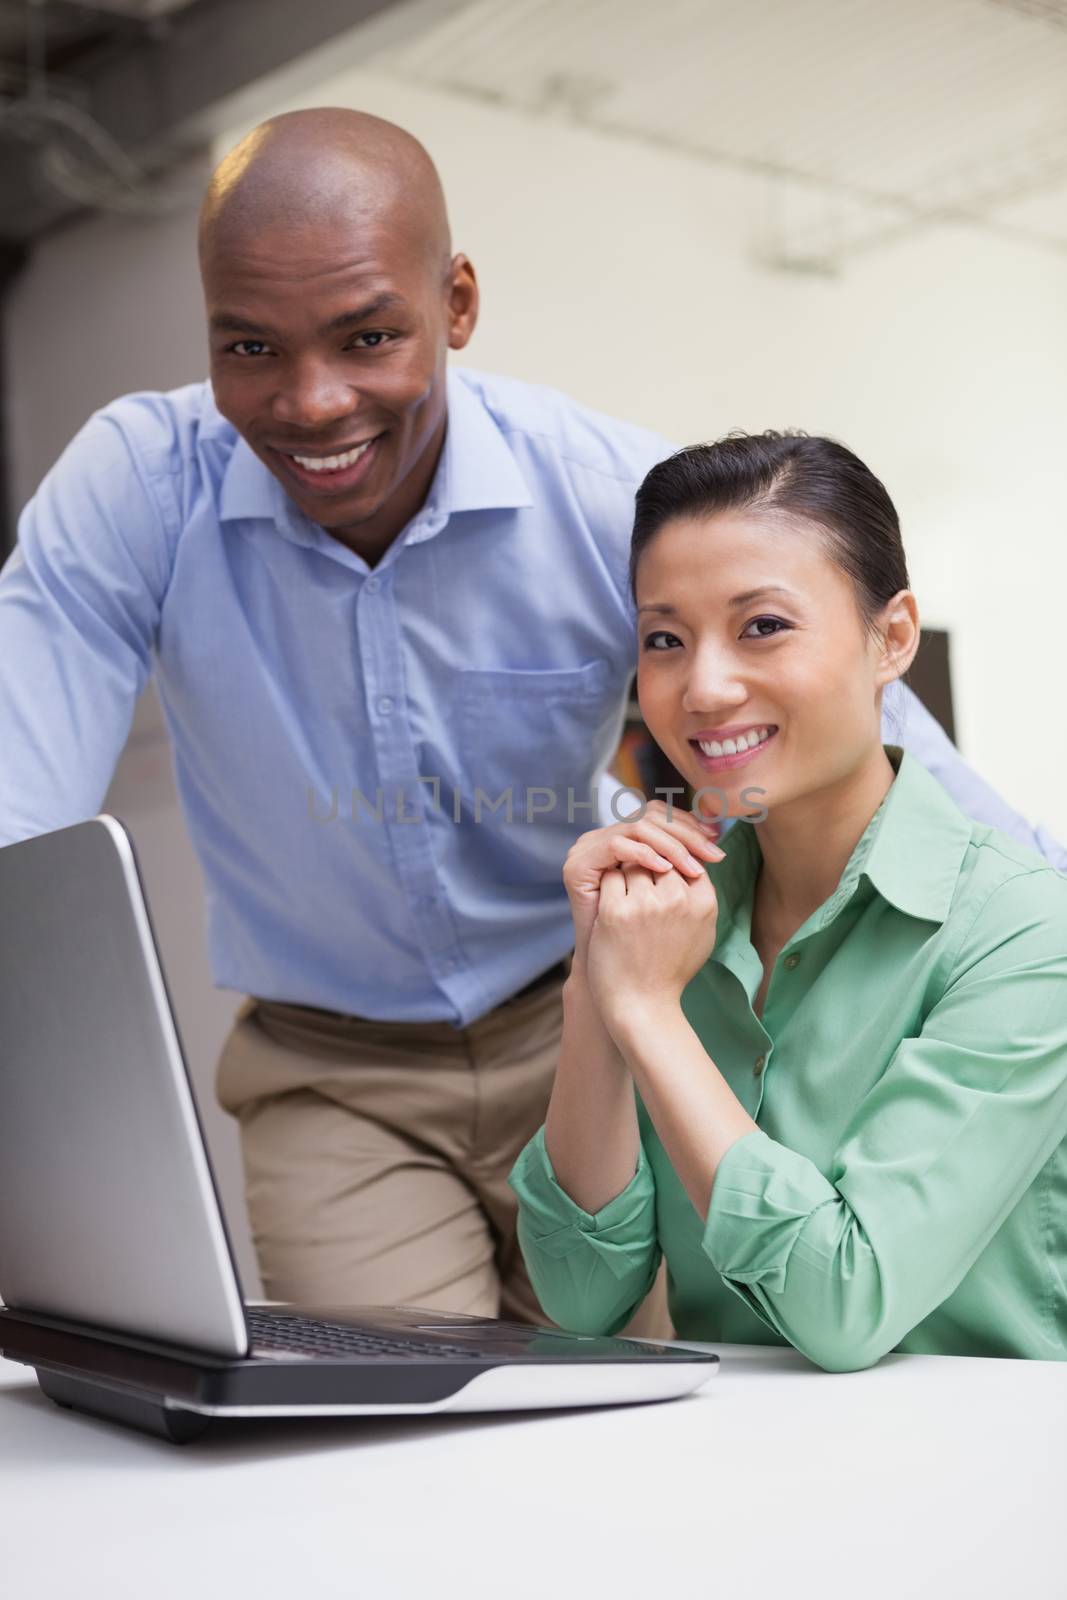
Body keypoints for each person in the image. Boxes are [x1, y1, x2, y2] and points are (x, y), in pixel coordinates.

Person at [0, 109, 1061, 1329]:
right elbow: (19, 825)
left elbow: (862, 730)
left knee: (645, 1412)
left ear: (455, 304)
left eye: (367, 336)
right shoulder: (140, 486)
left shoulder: (604, 495)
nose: (310, 401)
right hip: (332, 1068)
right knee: (396, 1445)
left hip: (588, 1014)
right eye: (249, 345)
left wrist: (1034, 933)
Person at [509, 431, 1067, 1367]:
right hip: (736, 1468)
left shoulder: (1021, 933)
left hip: (980, 1477)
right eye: (664, 640)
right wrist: (594, 983)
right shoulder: (671, 919)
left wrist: (645, 1011)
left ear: (890, 638)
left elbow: (842, 1302)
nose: (704, 686)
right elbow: (581, 1296)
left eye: (761, 625)